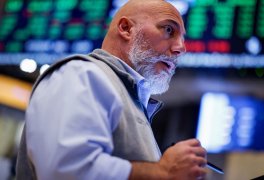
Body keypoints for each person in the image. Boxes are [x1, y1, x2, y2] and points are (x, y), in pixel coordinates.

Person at [16, 0, 208, 179]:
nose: (181, 48)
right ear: (126, 29)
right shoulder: (82, 73)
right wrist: (162, 171)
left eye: (182, 38)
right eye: (168, 29)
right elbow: (65, 170)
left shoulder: (132, 101)